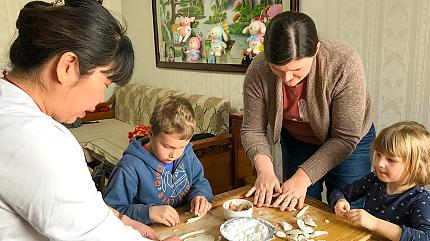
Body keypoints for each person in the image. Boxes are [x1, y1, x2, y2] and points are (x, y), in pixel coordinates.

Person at [0, 1, 179, 240]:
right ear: (68, 66)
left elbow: (71, 209)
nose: (99, 100)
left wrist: (120, 219)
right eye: (105, 83)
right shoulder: (37, 138)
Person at [241, 11, 375, 212]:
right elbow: (252, 130)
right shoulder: (258, 69)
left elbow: (345, 137)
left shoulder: (344, 62)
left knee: (348, 210)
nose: (287, 79)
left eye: (297, 71)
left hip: (349, 142)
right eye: (277, 69)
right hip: (298, 140)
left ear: (316, 49)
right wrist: (265, 170)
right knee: (294, 207)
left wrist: (303, 178)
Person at [104, 96, 214, 227]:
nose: (174, 154)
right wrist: (148, 212)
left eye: (181, 146)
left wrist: (200, 195)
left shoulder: (186, 153)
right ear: (150, 133)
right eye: (167, 146)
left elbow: (199, 181)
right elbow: (111, 212)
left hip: (184, 224)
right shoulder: (129, 167)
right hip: (147, 231)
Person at [329, 121, 430, 241]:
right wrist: (339, 201)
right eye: (378, 154)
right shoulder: (374, 180)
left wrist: (375, 224)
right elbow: (340, 192)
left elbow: (425, 237)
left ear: (416, 166)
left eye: (390, 159)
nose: (379, 164)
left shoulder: (421, 200)